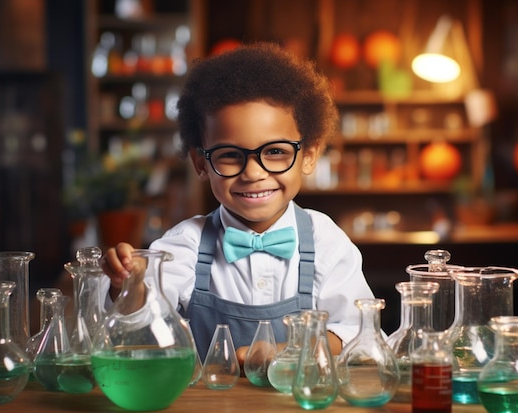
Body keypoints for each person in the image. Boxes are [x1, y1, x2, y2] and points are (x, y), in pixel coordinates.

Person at [101, 42, 375, 364]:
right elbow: (141, 327)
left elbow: (359, 333)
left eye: (275, 152)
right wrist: (126, 286)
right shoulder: (185, 244)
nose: (254, 173)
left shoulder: (325, 241)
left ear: (309, 156)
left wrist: (284, 354)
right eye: (230, 155)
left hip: (302, 411)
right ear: (200, 163)